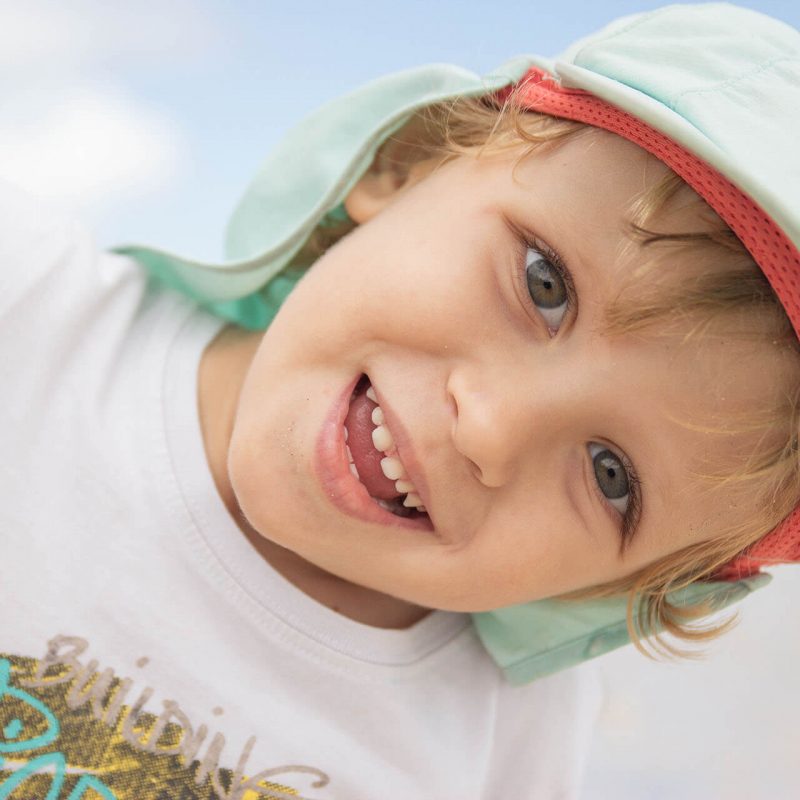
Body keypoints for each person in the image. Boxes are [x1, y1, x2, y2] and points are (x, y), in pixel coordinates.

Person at [1, 2, 798, 798]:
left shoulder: (498, 752)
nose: (492, 427)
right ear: (407, 162)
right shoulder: (30, 316)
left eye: (610, 474)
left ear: (637, 588)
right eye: (543, 284)